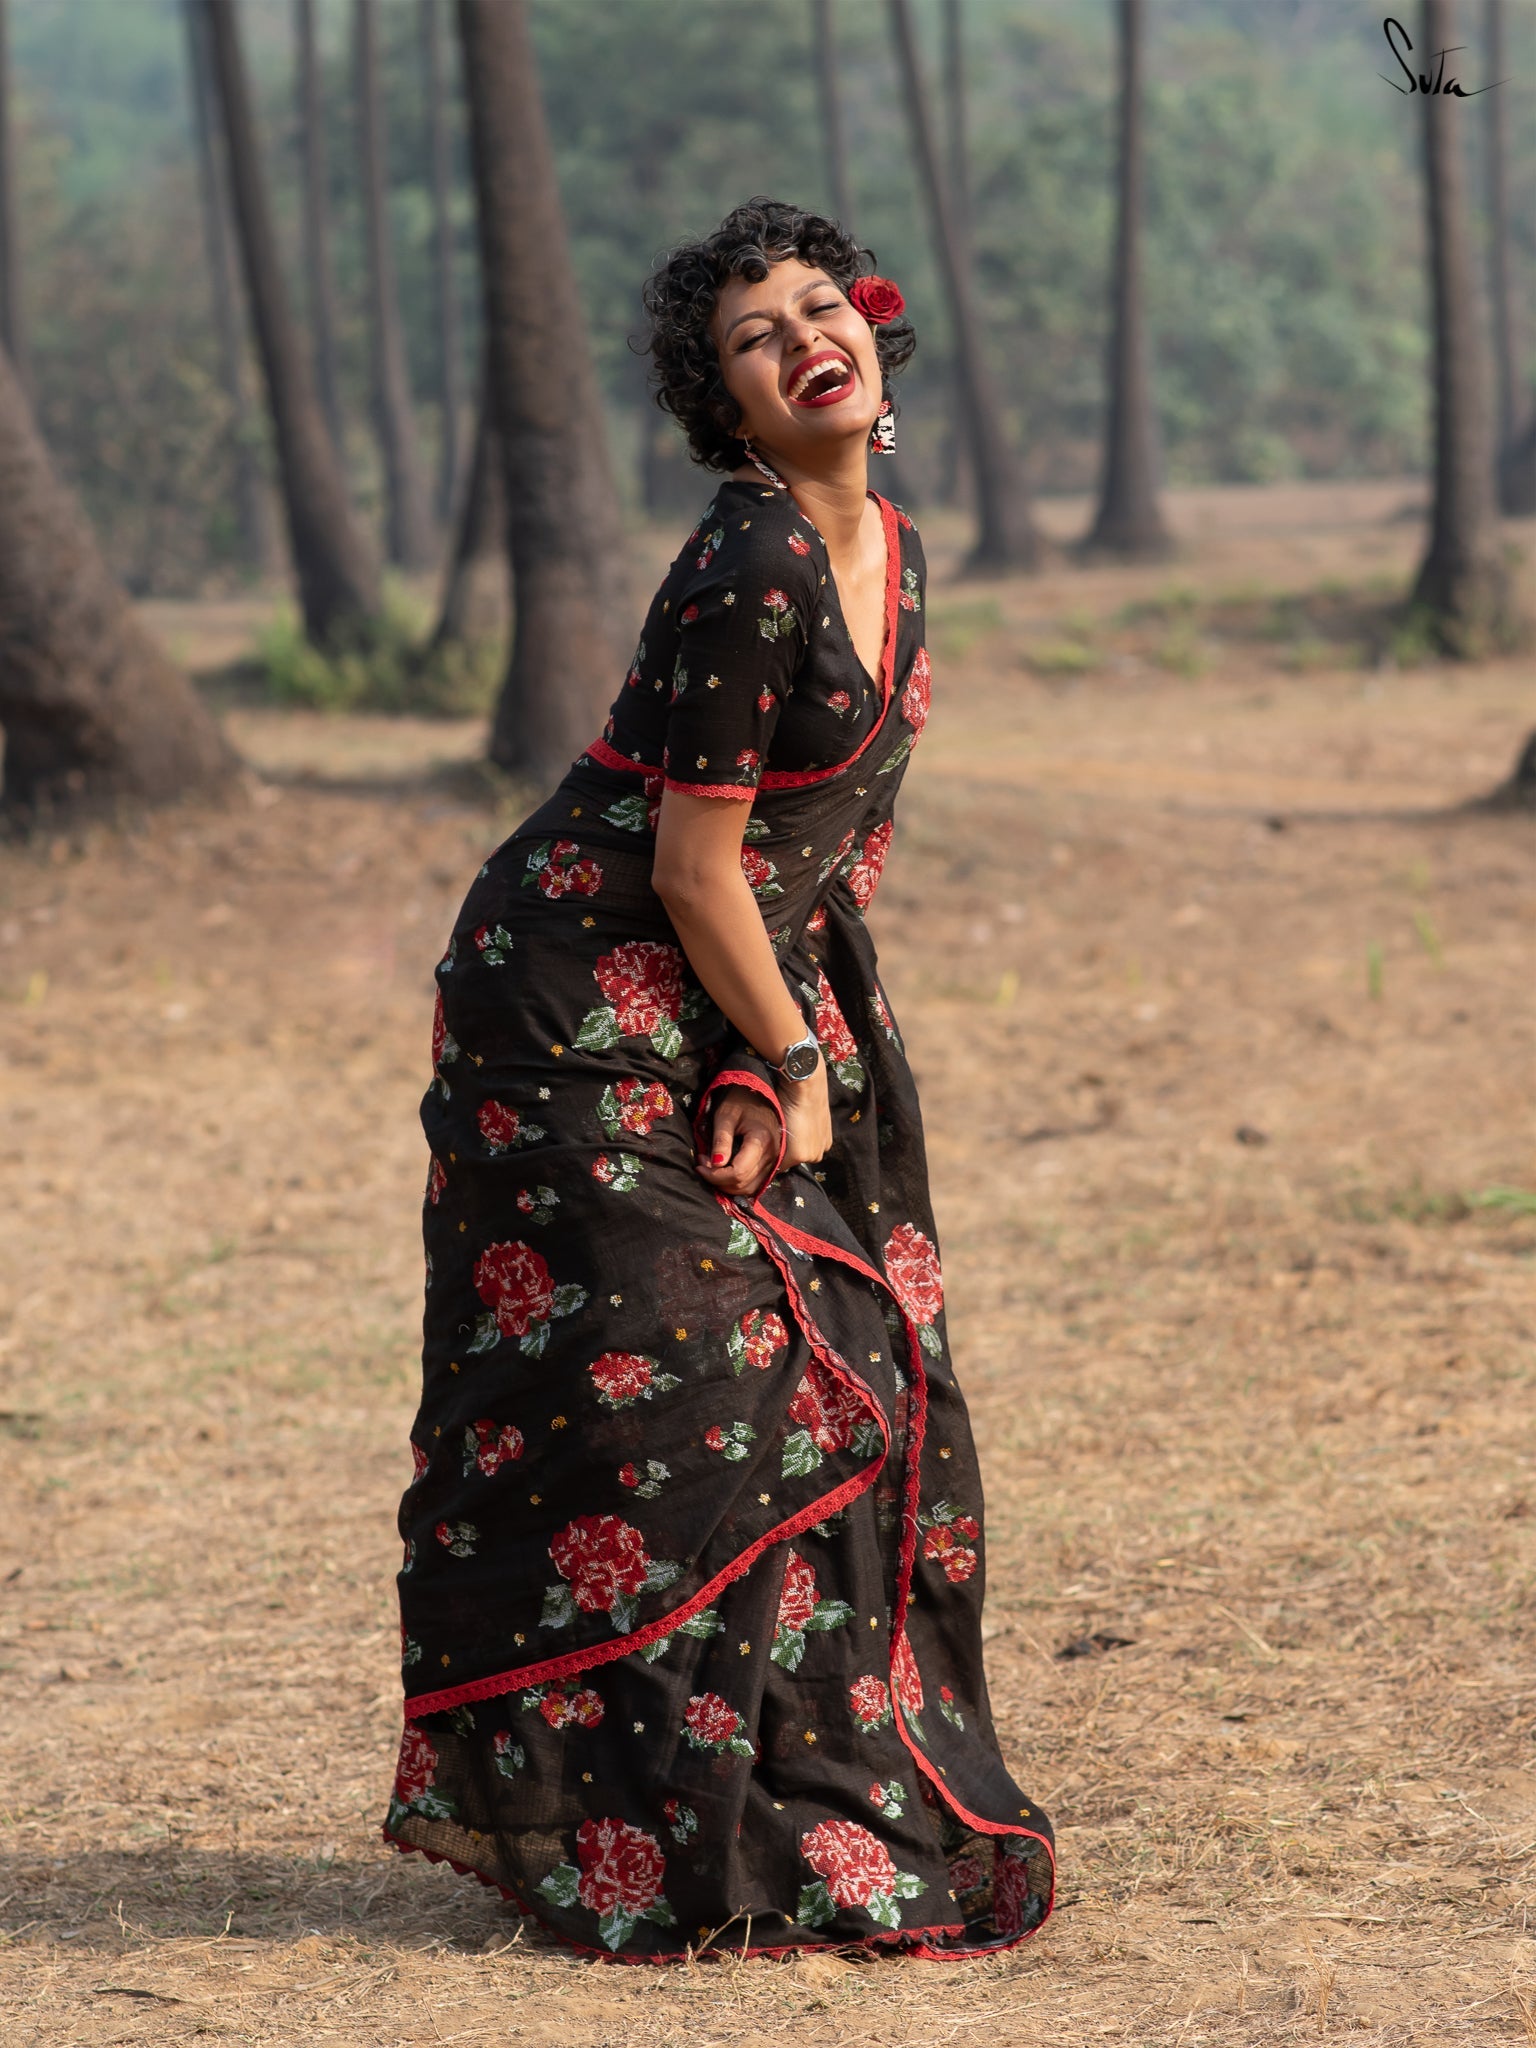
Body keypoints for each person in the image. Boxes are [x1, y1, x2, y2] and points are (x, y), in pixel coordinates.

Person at [384, 198, 1054, 1960]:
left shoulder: (895, 544)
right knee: (684, 1383)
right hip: (568, 1002)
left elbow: (825, 846)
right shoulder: (751, 558)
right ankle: (650, 1835)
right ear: (727, 406)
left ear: (874, 337)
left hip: (734, 989)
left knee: (845, 1358)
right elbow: (691, 866)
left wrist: (779, 1048)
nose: (802, 340)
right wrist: (786, 1051)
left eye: (822, 307)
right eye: (756, 338)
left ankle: (766, 1807)